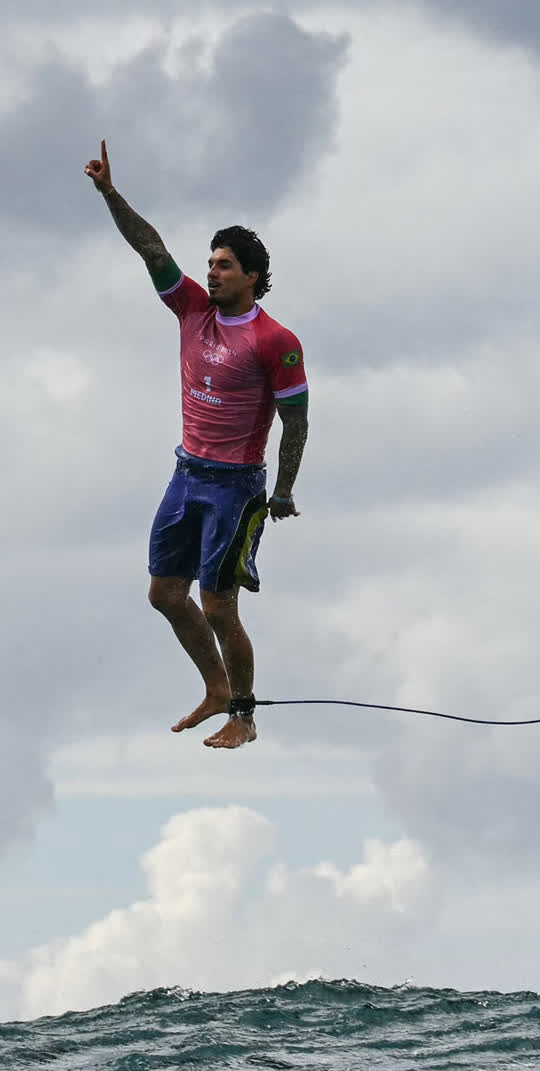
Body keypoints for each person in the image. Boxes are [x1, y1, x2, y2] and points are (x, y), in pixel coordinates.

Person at [84, 140, 309, 749]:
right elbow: (151, 247)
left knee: (218, 606)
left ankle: (244, 714)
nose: (211, 272)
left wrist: (283, 489)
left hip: (236, 487)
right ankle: (214, 687)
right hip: (186, 474)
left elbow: (297, 420)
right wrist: (109, 193)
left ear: (253, 277)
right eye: (210, 263)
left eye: (224, 265)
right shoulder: (191, 310)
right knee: (164, 594)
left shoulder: (275, 340)